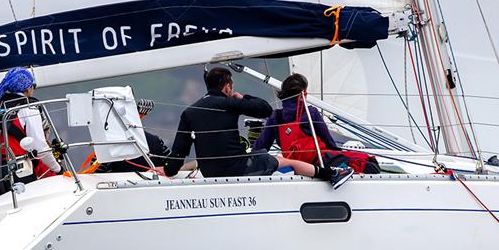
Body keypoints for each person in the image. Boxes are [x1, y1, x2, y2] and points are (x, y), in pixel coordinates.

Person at [163, 67, 354, 188]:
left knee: (262, 155)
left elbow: (179, 151)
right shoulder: (229, 103)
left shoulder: (189, 112)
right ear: (228, 87)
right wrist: (242, 98)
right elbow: (264, 109)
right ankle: (332, 175)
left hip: (211, 172)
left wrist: (169, 171)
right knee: (284, 161)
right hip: (237, 169)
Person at [253, 73, 381, 174]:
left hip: (294, 164)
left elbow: (260, 147)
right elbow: (329, 142)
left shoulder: (276, 116)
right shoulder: (311, 112)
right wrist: (338, 153)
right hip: (318, 161)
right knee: (369, 163)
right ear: (304, 93)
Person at [0, 67, 62, 205]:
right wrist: (58, 170)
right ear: (28, 88)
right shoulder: (29, 107)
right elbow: (40, 147)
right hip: (18, 170)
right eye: (33, 86)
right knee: (28, 210)